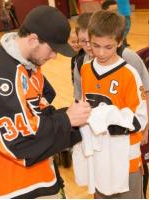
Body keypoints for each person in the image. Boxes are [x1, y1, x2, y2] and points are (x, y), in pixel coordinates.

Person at [0, 5, 92, 199]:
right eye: (52, 49)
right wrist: (67, 120)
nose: (54, 56)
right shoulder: (1, 76)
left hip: (32, 173)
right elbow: (19, 142)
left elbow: (37, 113)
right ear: (33, 40)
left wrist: (74, 118)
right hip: (3, 184)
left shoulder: (29, 64)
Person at [72, 10, 147, 198]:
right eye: (96, 46)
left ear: (120, 42)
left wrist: (109, 119)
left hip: (125, 158)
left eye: (108, 47)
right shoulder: (86, 68)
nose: (101, 52)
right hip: (98, 155)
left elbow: (140, 119)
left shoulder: (128, 74)